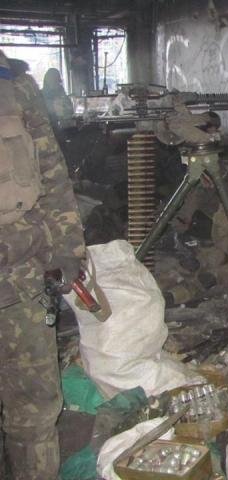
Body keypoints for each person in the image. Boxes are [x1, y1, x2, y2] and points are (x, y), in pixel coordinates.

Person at [0, 51, 85, 479]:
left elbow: (52, 174)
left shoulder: (15, 86)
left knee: (34, 410)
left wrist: (69, 248)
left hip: (21, 282)